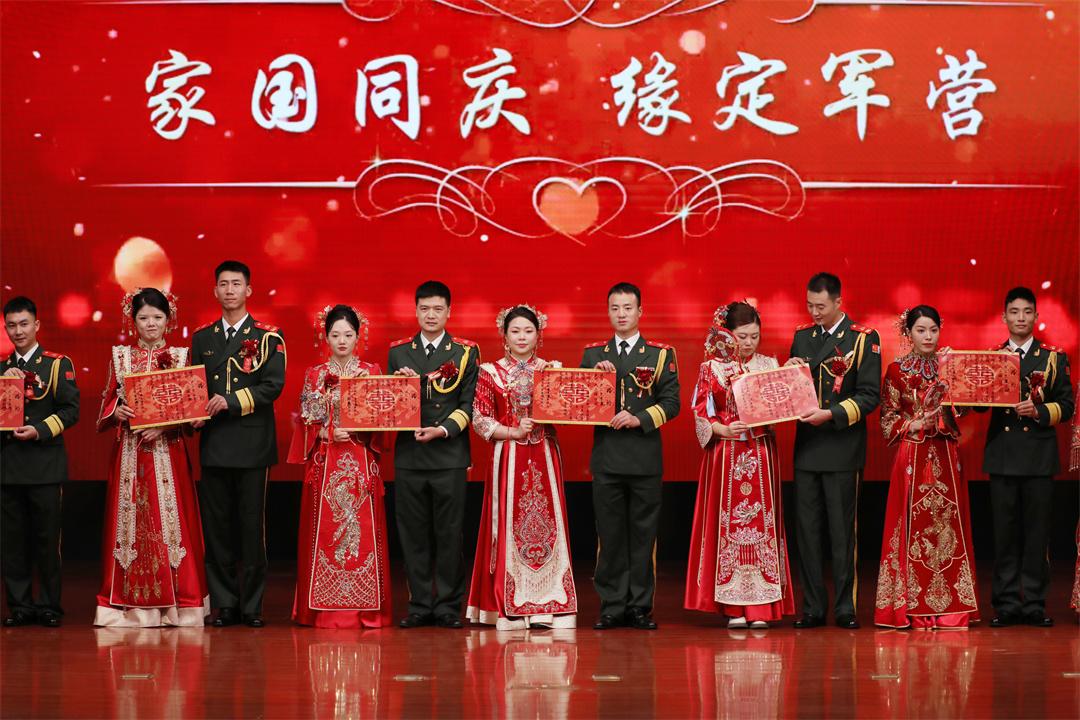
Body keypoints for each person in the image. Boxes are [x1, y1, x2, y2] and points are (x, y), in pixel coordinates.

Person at [94, 288, 209, 627]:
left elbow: (193, 409)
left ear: (168, 320)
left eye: (157, 317)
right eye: (143, 318)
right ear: (133, 321)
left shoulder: (181, 356)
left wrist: (165, 425)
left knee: (171, 523)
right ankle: (127, 605)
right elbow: (105, 405)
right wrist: (118, 411)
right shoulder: (120, 357)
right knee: (130, 524)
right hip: (130, 454)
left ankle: (179, 603)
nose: (150, 324)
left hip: (167, 453)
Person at [466, 304, 577, 630]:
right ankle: (508, 604)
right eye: (515, 331)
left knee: (547, 527)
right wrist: (512, 431)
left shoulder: (551, 370)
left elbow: (566, 414)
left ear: (538, 335)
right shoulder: (490, 372)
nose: (522, 337)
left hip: (544, 454)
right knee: (509, 525)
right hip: (509, 456)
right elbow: (479, 418)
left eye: (528, 331)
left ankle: (549, 605)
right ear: (504, 335)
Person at [685, 301, 794, 628]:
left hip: (760, 453)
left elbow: (782, 408)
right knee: (727, 528)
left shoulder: (768, 365)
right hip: (726, 454)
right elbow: (700, 412)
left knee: (763, 527)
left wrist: (791, 381)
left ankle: (762, 608)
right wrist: (721, 429)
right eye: (742, 336)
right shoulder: (712, 368)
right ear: (727, 335)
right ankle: (732, 607)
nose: (748, 343)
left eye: (754, 336)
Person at [190, 260, 286, 628]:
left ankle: (252, 606)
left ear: (249, 290)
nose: (229, 290)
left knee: (251, 528)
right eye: (223, 284)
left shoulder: (268, 336)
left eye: (236, 284)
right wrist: (192, 414)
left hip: (252, 446)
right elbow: (194, 388)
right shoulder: (203, 338)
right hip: (214, 444)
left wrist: (229, 401)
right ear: (214, 290)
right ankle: (225, 604)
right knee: (217, 529)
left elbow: (272, 386)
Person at [581, 282, 680, 631]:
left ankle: (639, 606)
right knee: (609, 537)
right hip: (607, 459)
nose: (621, 314)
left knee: (643, 537)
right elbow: (580, 407)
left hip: (644, 459)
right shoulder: (593, 355)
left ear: (640, 312)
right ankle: (611, 606)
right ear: (608, 312)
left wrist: (639, 419)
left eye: (627, 308)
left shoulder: (660, 354)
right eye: (615, 308)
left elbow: (672, 403)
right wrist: (597, 382)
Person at [873, 306, 978, 629]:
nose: (928, 336)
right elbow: (887, 419)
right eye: (921, 330)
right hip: (914, 454)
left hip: (945, 453)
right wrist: (915, 424)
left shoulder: (950, 366)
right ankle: (909, 605)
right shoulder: (896, 371)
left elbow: (967, 408)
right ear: (909, 333)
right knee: (911, 527)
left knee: (950, 526)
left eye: (933, 330)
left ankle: (952, 607)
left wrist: (956, 378)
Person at [786, 272, 881, 629]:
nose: (814, 312)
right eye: (810, 305)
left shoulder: (863, 338)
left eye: (821, 306)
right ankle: (812, 607)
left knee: (842, 534)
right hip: (807, 448)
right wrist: (787, 373)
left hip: (842, 447)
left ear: (839, 302)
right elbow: (794, 389)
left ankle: (845, 607)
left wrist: (832, 414)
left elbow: (869, 396)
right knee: (807, 533)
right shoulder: (802, 336)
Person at [287, 305, 391, 628]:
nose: (342, 341)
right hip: (326, 462)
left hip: (360, 461)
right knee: (324, 531)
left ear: (358, 336)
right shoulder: (315, 375)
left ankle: (366, 609)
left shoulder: (371, 372)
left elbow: (383, 421)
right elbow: (305, 421)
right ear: (326, 337)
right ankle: (321, 608)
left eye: (348, 334)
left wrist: (361, 428)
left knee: (364, 532)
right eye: (335, 335)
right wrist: (326, 432)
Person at [979, 286, 1073, 628]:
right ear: (1004, 317)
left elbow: (1067, 405)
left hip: (1038, 457)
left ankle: (1033, 603)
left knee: (1036, 534)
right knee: (1004, 535)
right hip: (1003, 456)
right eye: (1014, 312)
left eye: (1027, 311)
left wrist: (1038, 412)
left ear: (1036, 316)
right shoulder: (991, 357)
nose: (1020, 318)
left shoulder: (1053, 358)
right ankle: (1006, 604)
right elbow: (977, 404)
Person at [388, 280, 479, 629]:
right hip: (410, 455)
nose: (430, 315)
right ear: (415, 311)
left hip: (449, 455)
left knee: (449, 533)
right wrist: (400, 387)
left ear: (449, 312)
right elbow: (389, 405)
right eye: (424, 308)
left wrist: (442, 430)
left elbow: (468, 405)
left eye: (437, 309)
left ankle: (448, 606)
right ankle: (420, 604)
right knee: (413, 534)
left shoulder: (465, 352)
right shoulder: (399, 352)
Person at [1, 296, 79, 627]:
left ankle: (49, 606)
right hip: (8, 466)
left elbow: (71, 410)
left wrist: (39, 430)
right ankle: (19, 606)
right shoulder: (1, 368)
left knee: (47, 541)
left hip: (45, 465)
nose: (18, 331)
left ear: (36, 325)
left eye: (24, 324)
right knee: (12, 542)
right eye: (11, 326)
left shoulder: (57, 364)